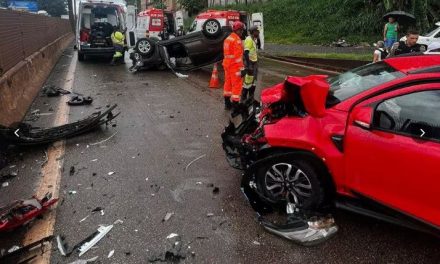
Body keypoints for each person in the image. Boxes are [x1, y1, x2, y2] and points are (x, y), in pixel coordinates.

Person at [222, 21, 245, 112]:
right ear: (238, 30)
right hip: (235, 66)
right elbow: (238, 57)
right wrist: (242, 68)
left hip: (227, 65)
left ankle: (227, 104)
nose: (242, 32)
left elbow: (226, 53)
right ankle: (235, 106)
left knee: (228, 83)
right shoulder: (237, 40)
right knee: (237, 85)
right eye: (241, 30)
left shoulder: (227, 39)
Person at [242, 25, 260, 101]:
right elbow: (246, 53)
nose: (258, 32)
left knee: (252, 81)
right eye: (257, 31)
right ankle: (244, 97)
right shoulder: (249, 40)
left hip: (254, 62)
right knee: (248, 81)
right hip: (250, 63)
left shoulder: (253, 39)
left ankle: (250, 96)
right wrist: (249, 64)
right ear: (253, 32)